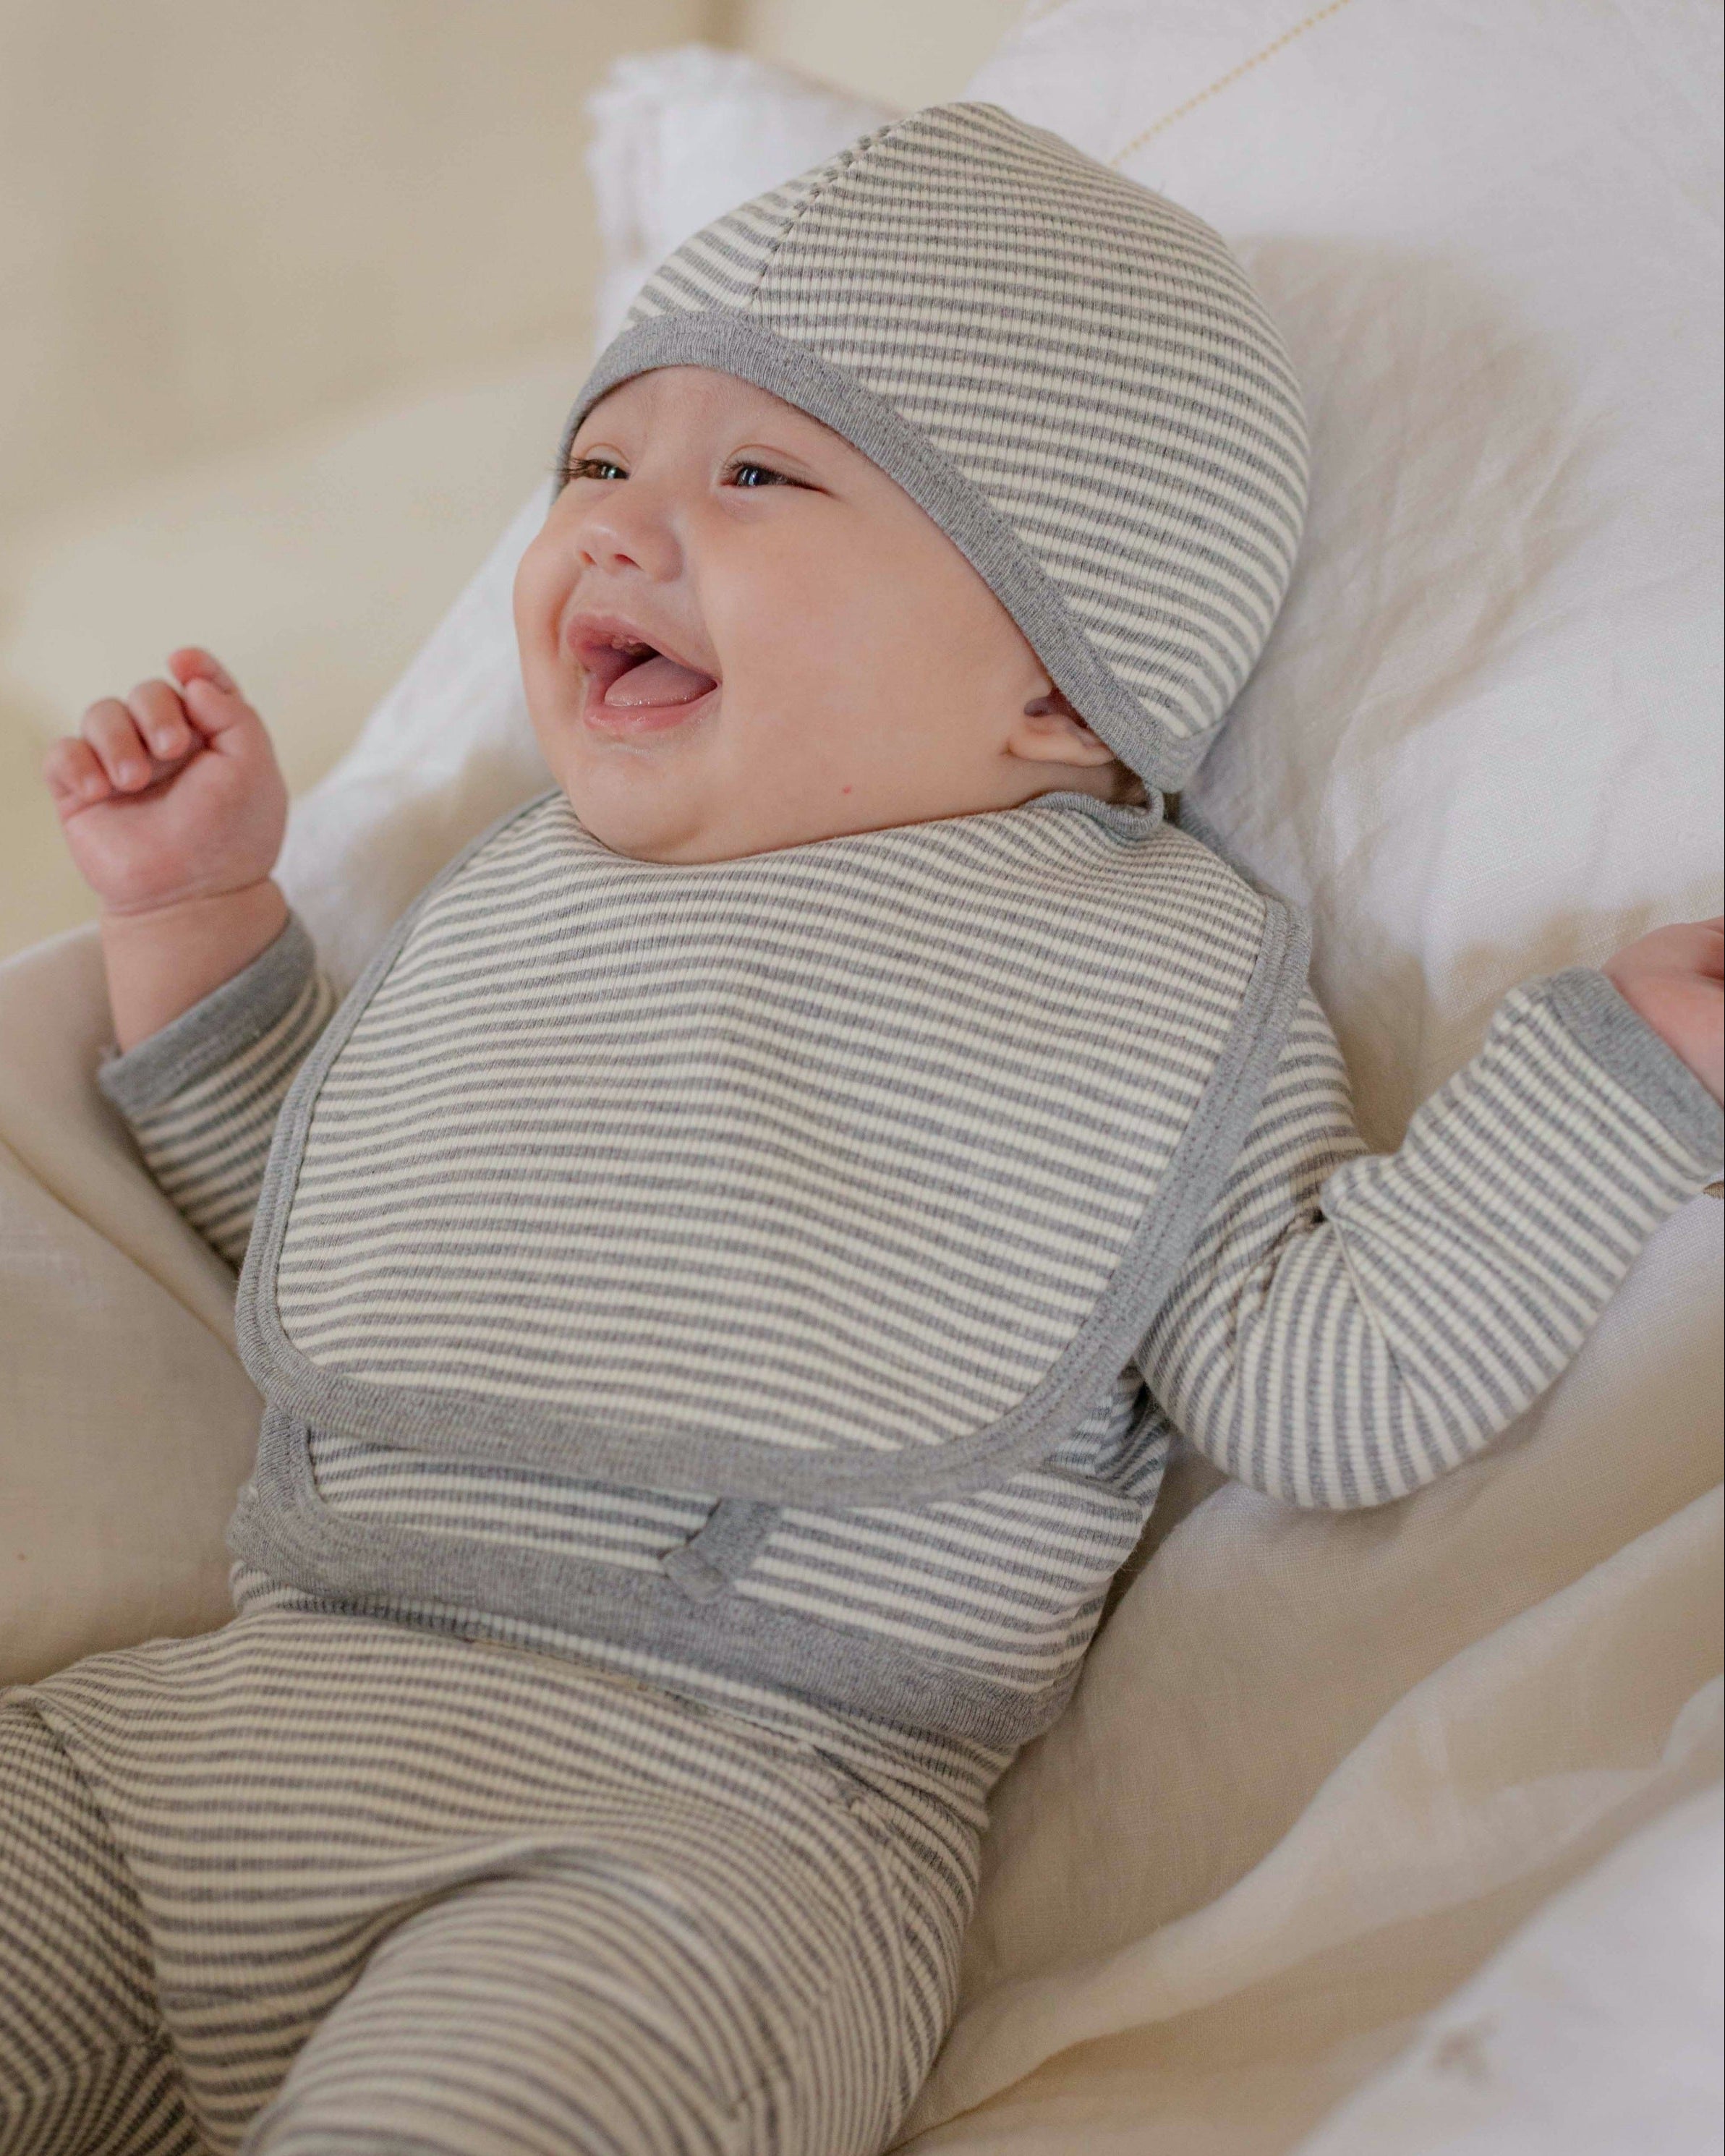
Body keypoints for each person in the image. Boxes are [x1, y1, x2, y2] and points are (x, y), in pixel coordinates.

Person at [7, 102, 1721, 2156]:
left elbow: (1323, 1385)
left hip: (694, 1843)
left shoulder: (1141, 986)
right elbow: (327, 1224)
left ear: (1061, 687)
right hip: (211, 1739)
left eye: (756, 473)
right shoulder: (531, 892)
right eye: (596, 459)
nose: (617, 524)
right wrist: (193, 910)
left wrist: (1611, 1074)